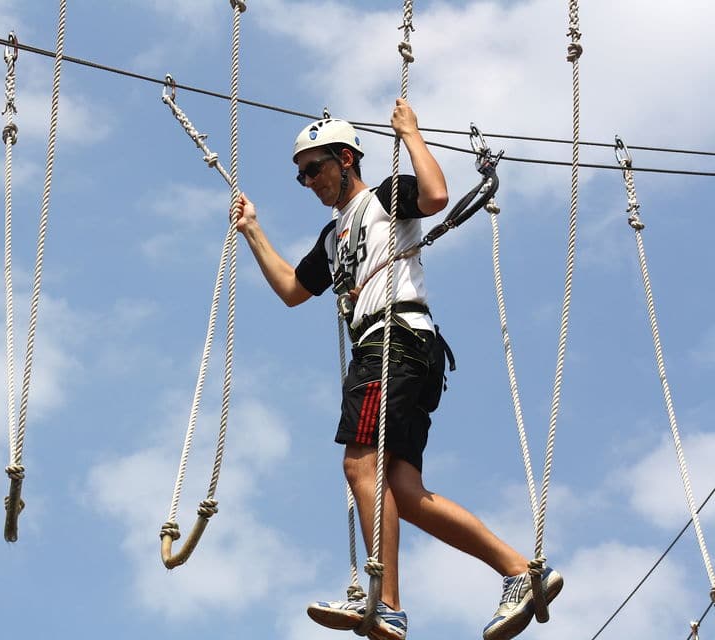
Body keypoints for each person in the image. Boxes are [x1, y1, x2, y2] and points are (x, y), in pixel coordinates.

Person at [231, 99, 562, 640]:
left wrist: (410, 132)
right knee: (402, 491)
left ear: (345, 158)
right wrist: (253, 230)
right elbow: (294, 290)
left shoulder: (384, 197)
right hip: (399, 351)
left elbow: (435, 195)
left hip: (393, 341)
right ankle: (522, 573)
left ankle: (386, 604)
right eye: (301, 176)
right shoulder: (334, 236)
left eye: (314, 169)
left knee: (361, 468)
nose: (308, 181)